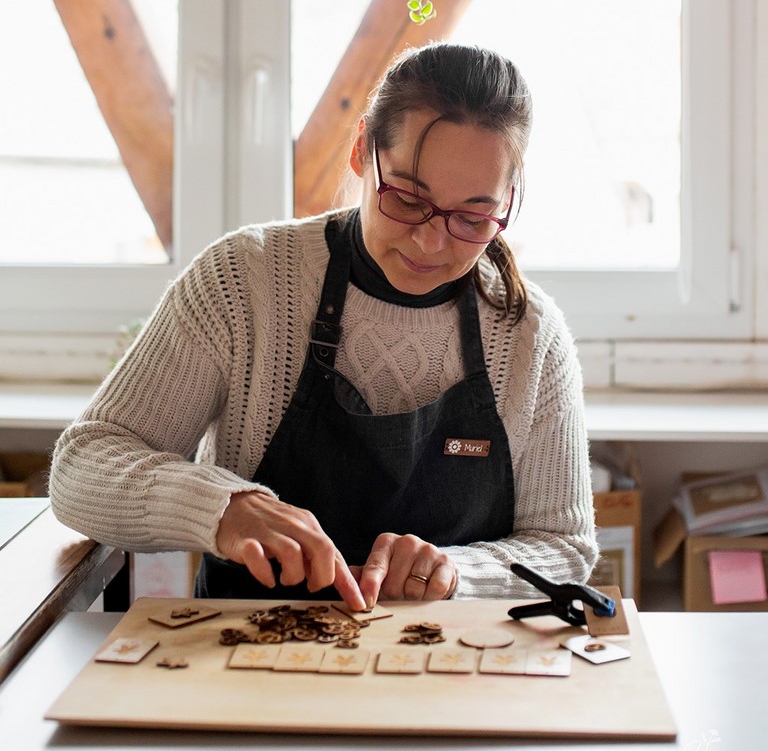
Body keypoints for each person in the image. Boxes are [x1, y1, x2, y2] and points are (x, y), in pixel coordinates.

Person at [50, 43, 597, 611]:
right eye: (408, 198)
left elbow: (563, 547)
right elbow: (81, 467)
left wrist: (456, 572)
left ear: (508, 200)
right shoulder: (246, 281)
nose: (431, 241)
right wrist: (220, 507)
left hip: (451, 671)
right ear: (363, 149)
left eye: (473, 216)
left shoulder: (529, 334)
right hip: (249, 660)